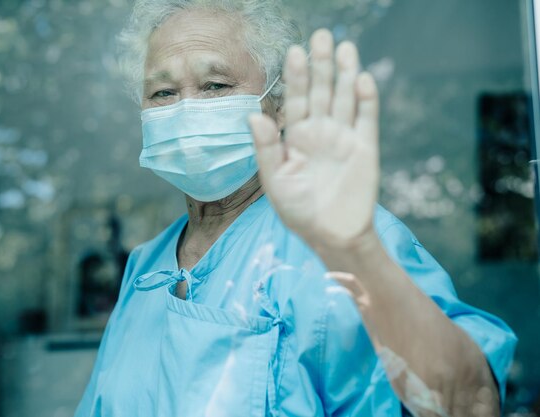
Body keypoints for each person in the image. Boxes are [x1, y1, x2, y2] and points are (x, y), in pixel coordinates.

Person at [75, 1, 517, 416]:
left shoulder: (347, 242)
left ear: (279, 104)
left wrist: (359, 253)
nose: (187, 108)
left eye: (216, 85)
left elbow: (469, 403)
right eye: (163, 92)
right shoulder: (145, 266)